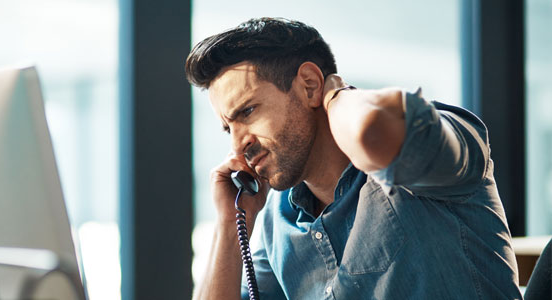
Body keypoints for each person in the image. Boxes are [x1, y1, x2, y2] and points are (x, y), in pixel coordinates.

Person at [185, 17, 522, 299]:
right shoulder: (278, 217)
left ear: (308, 85)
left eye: (247, 111)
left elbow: (376, 130)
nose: (238, 145)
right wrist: (232, 224)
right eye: (228, 128)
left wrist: (337, 95)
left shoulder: (430, 150)